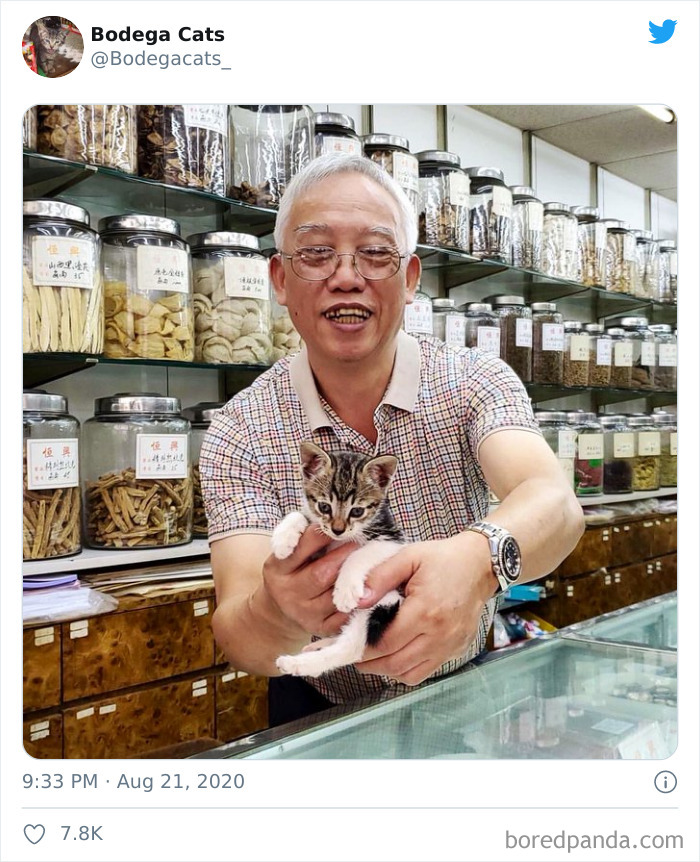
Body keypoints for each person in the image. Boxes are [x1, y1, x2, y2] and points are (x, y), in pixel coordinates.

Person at [200, 152, 584, 726]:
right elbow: (238, 635)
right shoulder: (239, 428)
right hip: (319, 704)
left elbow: (555, 503)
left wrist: (477, 562)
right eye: (316, 252)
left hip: (464, 687)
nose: (346, 276)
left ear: (408, 279)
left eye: (376, 253)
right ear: (280, 279)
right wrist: (277, 608)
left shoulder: (474, 380)